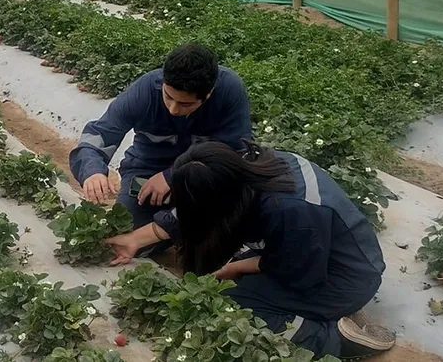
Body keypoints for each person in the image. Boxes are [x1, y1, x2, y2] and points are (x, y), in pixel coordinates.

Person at [105, 141, 396, 359]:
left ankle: (337, 338)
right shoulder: (238, 171)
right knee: (226, 281)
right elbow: (197, 209)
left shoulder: (292, 211)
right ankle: (326, 309)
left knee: (237, 309)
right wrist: (135, 239)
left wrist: (234, 267)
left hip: (343, 274)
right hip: (313, 251)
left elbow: (296, 272)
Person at [69, 42, 252, 239]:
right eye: (168, 97)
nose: (173, 109)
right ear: (163, 81)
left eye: (185, 104)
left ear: (207, 95)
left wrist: (171, 176)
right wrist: (92, 171)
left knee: (210, 235)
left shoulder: (229, 91)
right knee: (128, 230)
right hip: (146, 173)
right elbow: (100, 134)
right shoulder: (144, 92)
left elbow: (234, 154)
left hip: (202, 178)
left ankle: (184, 224)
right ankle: (171, 224)